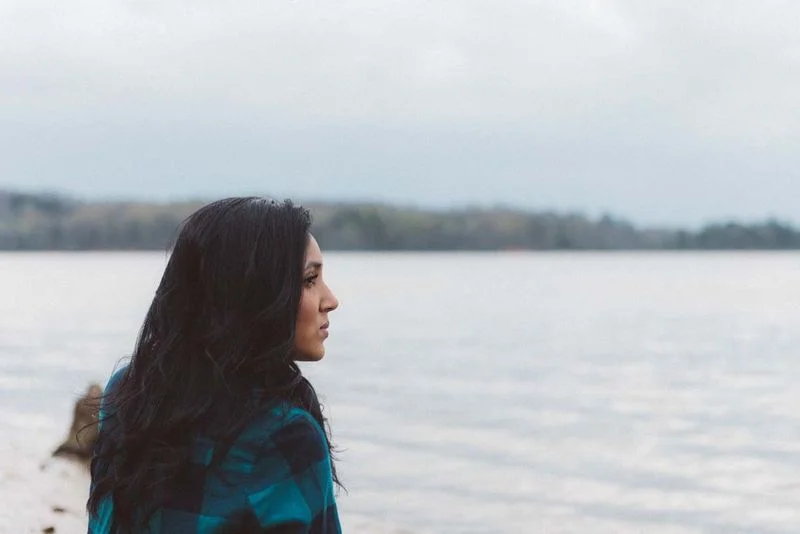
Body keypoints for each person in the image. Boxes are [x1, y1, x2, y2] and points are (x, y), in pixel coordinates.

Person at [87, 197, 342, 533]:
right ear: (255, 292)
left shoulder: (130, 393)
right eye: (310, 280)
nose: (331, 300)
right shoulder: (284, 436)